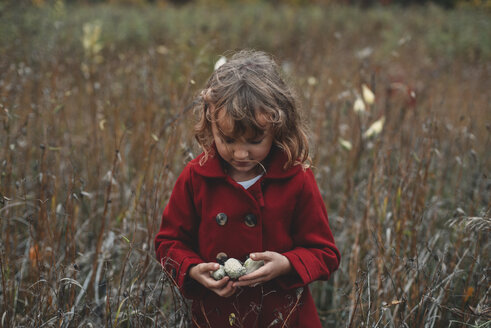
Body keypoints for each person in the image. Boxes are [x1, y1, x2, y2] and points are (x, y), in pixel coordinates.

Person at [154, 50, 340, 328]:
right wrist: (193, 269)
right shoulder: (197, 176)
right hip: (215, 315)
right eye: (227, 139)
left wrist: (287, 264)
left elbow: (325, 253)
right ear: (210, 124)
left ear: (278, 126)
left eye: (254, 141)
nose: (241, 154)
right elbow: (168, 244)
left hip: (283, 317)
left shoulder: (296, 178)